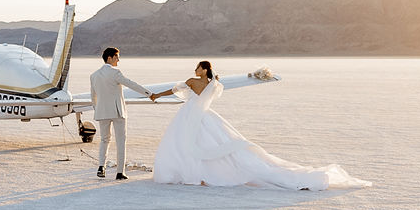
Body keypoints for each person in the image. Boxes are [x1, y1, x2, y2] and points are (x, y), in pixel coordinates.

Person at [152, 61, 371, 190]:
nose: (195, 70)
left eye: (198, 67)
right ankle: (197, 173)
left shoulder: (192, 82)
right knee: (207, 141)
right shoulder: (214, 84)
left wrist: (154, 96)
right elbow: (213, 93)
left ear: (203, 69)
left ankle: (191, 173)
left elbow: (173, 91)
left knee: (185, 143)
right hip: (204, 115)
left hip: (190, 114)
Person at [90, 47, 156, 180]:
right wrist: (149, 94)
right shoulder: (115, 72)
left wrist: (97, 109)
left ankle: (101, 167)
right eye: (117, 57)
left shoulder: (94, 75)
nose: (118, 60)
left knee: (104, 140)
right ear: (109, 58)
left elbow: (93, 97)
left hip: (102, 112)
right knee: (121, 141)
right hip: (117, 112)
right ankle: (120, 172)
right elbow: (131, 84)